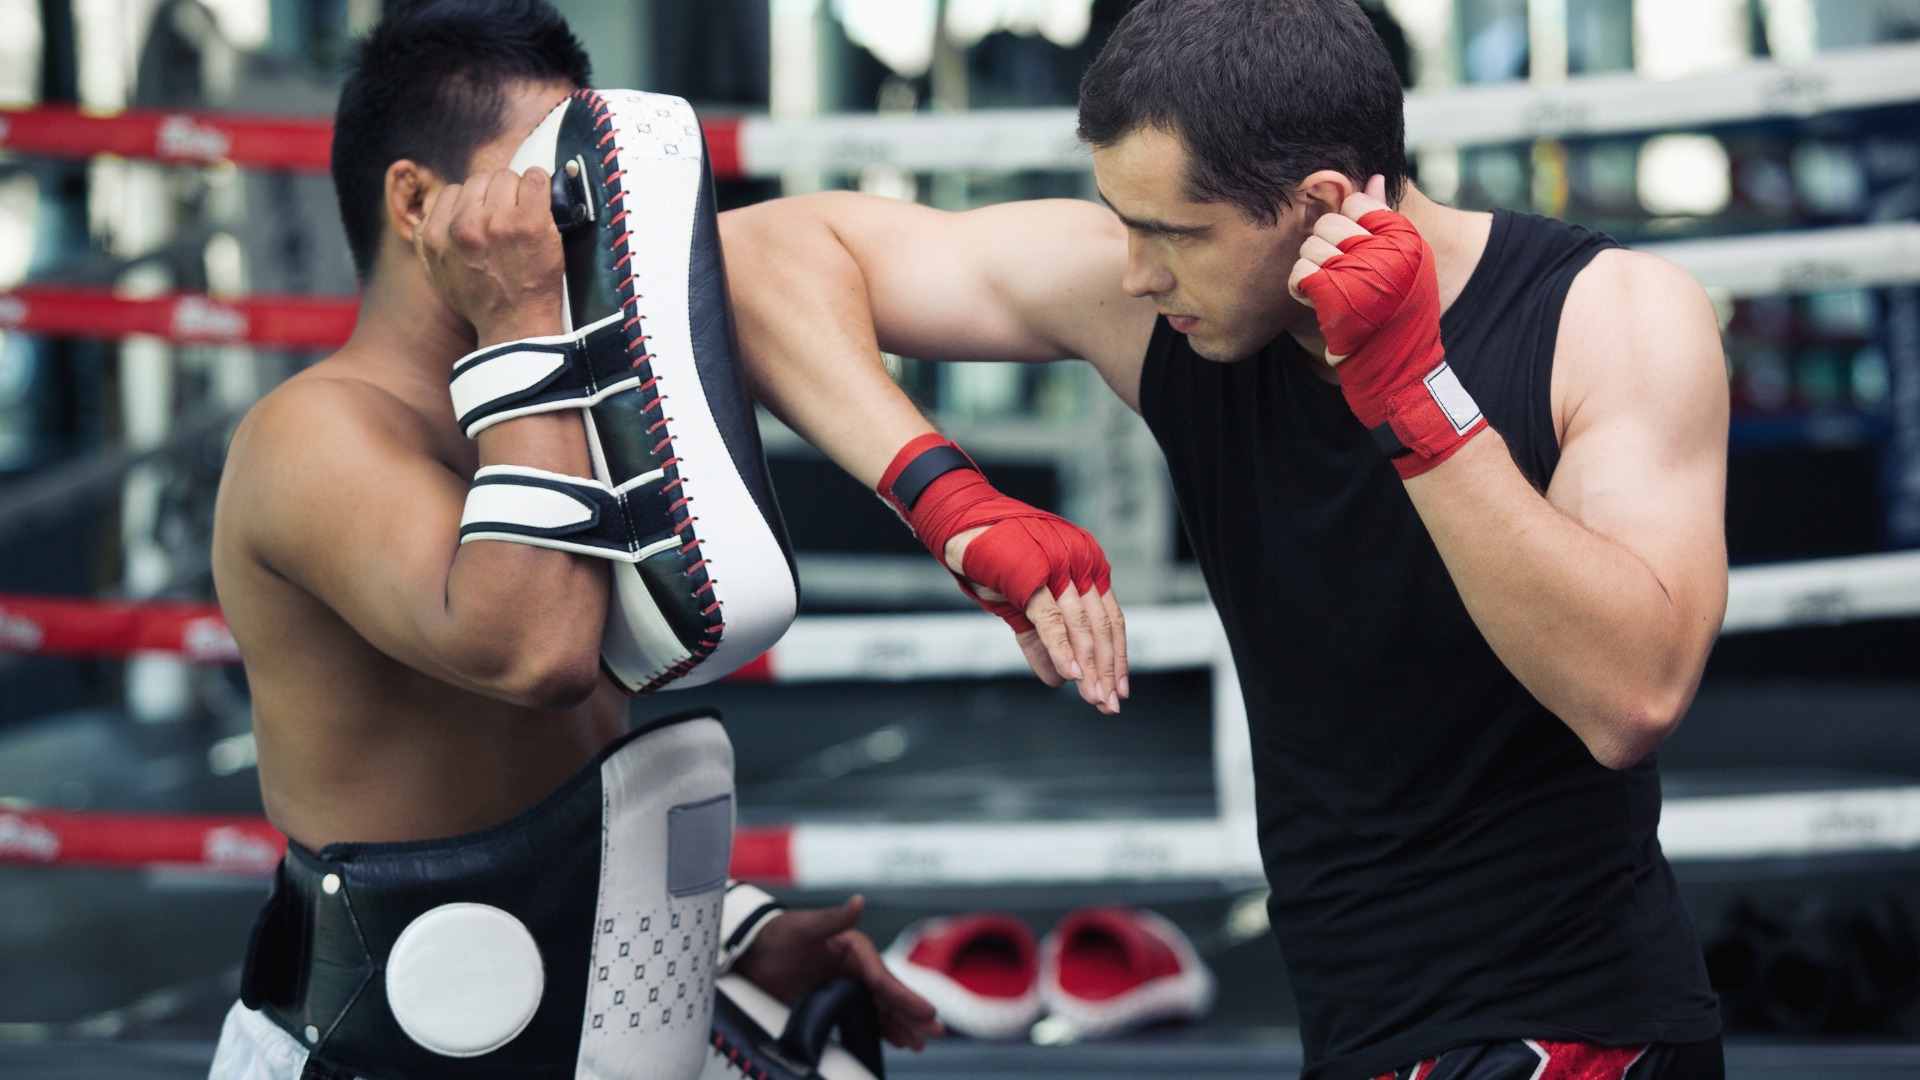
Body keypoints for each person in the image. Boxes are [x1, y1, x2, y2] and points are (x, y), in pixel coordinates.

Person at [719, 1, 1729, 1077]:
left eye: (1176, 234)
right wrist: (948, 499)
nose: (1139, 274)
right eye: (1124, 223)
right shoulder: (1161, 302)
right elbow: (751, 258)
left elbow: (1632, 697)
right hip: (1360, 1031)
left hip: (1576, 1032)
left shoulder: (1606, 315)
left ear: (1323, 206)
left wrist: (1413, 397)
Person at [207, 1, 938, 1075]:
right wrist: (517, 319)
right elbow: (537, 654)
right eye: (541, 184)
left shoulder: (554, 420)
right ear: (415, 200)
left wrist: (727, 947)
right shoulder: (313, 436)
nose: (570, 221)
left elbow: (564, 775)